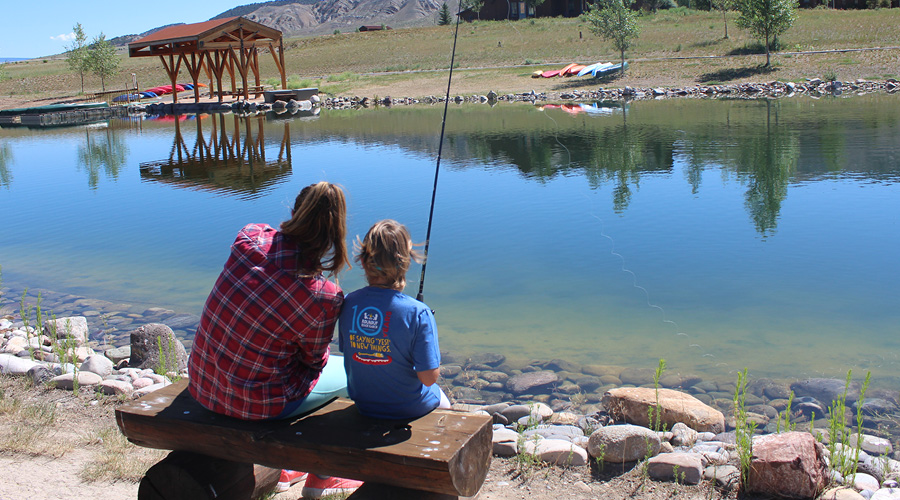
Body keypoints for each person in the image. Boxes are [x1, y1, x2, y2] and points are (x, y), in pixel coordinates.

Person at [187, 181, 362, 499]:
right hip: (257, 406)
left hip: (203, 384)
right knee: (359, 375)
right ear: (336, 234)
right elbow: (313, 363)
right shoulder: (324, 296)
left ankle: (287, 469)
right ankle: (323, 474)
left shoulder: (249, 235)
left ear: (294, 213)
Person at [338, 219, 451, 420]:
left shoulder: (347, 303)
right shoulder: (418, 313)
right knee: (446, 407)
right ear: (406, 262)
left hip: (364, 405)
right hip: (410, 407)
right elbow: (428, 378)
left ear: (363, 262)